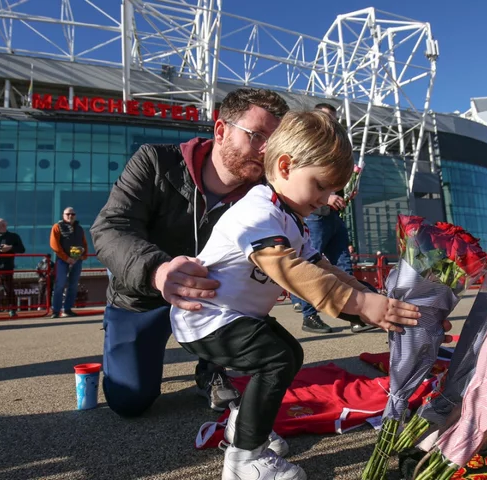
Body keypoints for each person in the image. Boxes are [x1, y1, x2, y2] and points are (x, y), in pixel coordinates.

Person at [170, 110, 422, 480]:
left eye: (332, 189)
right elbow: (292, 271)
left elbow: (324, 269)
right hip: (207, 318)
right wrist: (366, 306)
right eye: (320, 186)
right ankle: (244, 459)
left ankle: (246, 424)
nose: (326, 198)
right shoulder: (258, 211)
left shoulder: (289, 217)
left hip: (231, 315)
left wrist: (376, 304)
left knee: (288, 353)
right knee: (275, 359)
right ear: (286, 166)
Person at [90, 88, 289, 418]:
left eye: (274, 141)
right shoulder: (154, 161)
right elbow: (111, 228)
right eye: (257, 136)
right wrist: (158, 271)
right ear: (221, 130)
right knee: (129, 401)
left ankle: (210, 368)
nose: (266, 150)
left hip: (213, 301)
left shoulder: (263, 194)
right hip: (142, 295)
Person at [289, 102, 375, 334]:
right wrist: (326, 198)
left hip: (334, 217)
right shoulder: (306, 146)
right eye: (327, 117)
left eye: (335, 119)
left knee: (344, 265)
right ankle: (309, 316)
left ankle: (356, 315)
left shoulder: (334, 149)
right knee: (309, 266)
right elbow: (297, 178)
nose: (332, 123)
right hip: (315, 217)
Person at [49, 207, 88, 318]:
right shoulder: (57, 227)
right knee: (60, 284)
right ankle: (56, 310)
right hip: (62, 260)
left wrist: (83, 256)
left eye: (73, 214)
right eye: (68, 214)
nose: (70, 216)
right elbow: (54, 245)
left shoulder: (79, 228)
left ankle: (67, 309)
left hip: (77, 260)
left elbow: (84, 243)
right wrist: (66, 258)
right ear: (63, 215)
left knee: (73, 285)